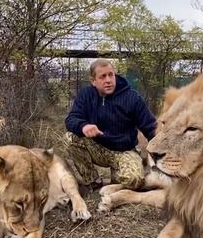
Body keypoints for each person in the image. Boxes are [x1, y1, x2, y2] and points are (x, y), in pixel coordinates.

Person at [64, 59, 157, 191]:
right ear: (93, 81)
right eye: (102, 76)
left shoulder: (132, 98)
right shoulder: (86, 95)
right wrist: (83, 126)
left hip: (124, 151)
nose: (108, 80)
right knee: (70, 138)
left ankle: (117, 175)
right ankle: (93, 181)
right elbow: (71, 119)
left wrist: (160, 152)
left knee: (134, 180)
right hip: (97, 148)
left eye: (111, 75)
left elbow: (151, 127)